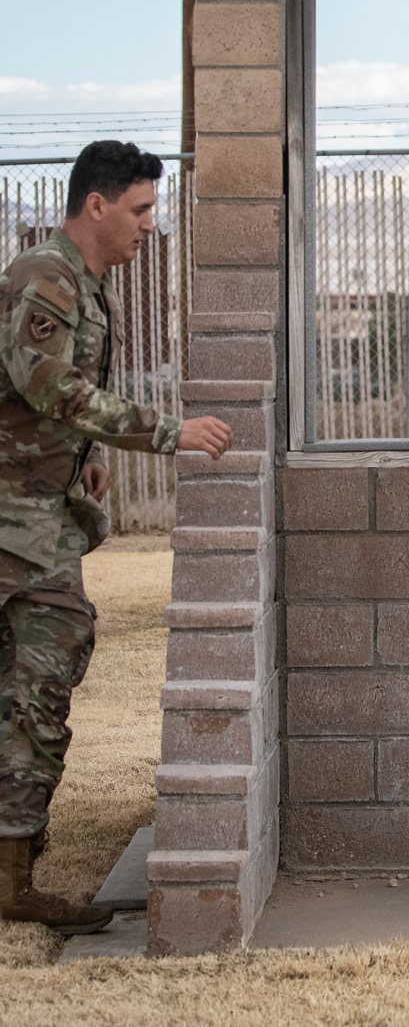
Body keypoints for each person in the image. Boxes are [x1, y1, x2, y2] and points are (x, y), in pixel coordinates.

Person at [0, 140, 232, 934]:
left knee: (39, 671)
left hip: (35, 517)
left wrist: (90, 457)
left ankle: (12, 867)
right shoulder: (45, 276)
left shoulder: (88, 286)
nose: (147, 226)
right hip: (12, 520)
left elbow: (57, 398)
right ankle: (11, 870)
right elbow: (48, 385)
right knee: (45, 663)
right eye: (138, 210)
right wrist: (169, 431)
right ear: (95, 205)